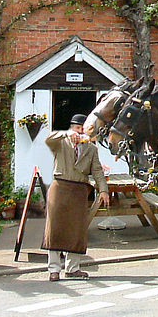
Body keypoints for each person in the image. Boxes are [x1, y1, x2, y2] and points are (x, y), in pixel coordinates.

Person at [42, 113, 110, 281]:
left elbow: (97, 172)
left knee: (76, 230)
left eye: (82, 130)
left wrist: (104, 190)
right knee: (55, 229)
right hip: (60, 186)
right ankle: (54, 269)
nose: (80, 133)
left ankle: (72, 268)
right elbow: (48, 139)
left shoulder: (91, 148)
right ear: (72, 128)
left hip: (79, 189)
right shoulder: (60, 142)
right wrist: (65, 133)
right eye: (77, 129)